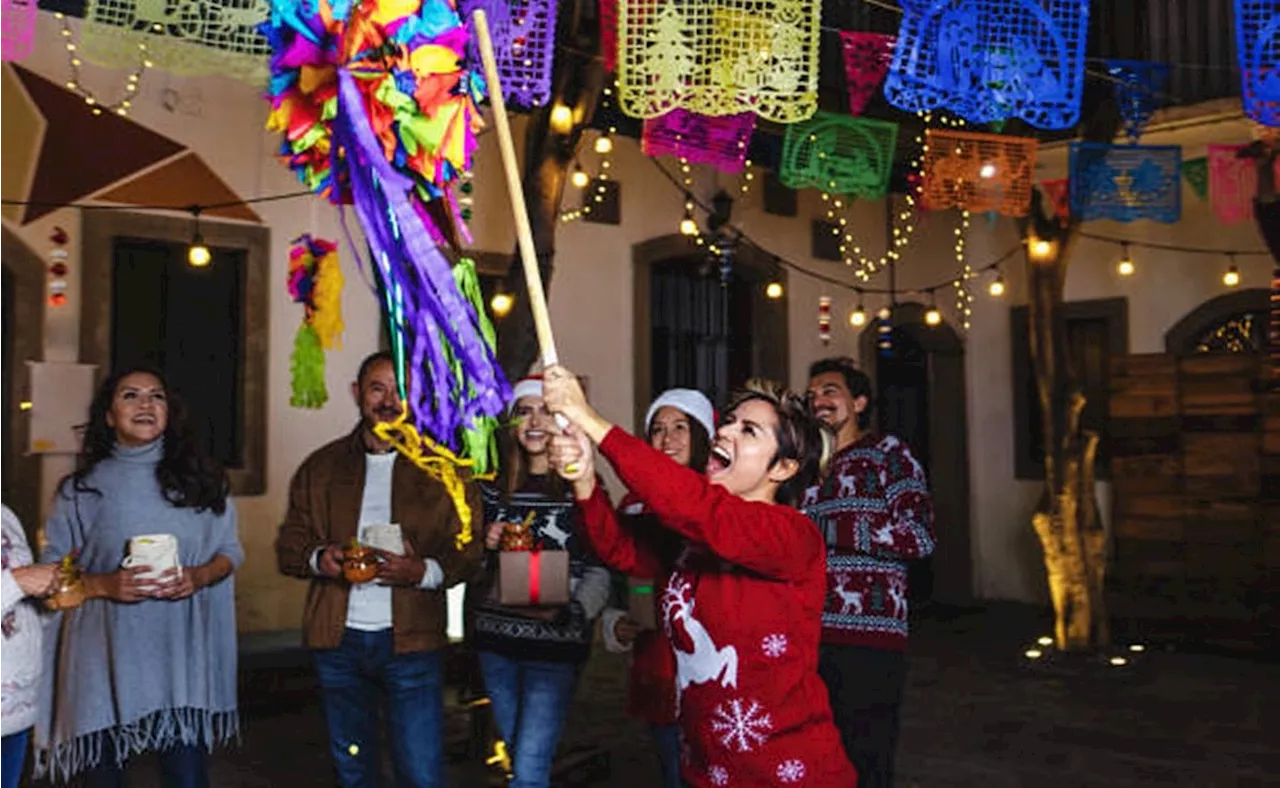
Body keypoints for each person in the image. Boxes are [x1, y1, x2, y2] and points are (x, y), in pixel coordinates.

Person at [543, 366, 856, 788]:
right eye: (729, 422)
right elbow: (619, 548)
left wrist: (591, 421)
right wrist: (583, 481)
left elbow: (700, 508)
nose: (725, 432)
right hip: (705, 769)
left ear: (782, 467)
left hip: (785, 774)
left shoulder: (793, 534)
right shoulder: (691, 536)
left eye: (749, 431)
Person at [276, 351, 483, 788]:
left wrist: (421, 570)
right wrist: (321, 558)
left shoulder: (444, 470)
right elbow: (290, 546)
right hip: (338, 643)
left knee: (421, 772)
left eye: (400, 391)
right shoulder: (321, 467)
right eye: (377, 388)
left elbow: (470, 550)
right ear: (357, 394)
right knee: (353, 769)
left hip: (413, 644)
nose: (389, 400)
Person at [35, 365, 243, 787]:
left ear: (170, 411)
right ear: (109, 416)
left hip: (179, 658)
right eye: (130, 395)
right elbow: (52, 573)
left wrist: (200, 576)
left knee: (187, 778)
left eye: (157, 396)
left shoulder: (203, 482)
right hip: (101, 656)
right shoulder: (80, 490)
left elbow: (229, 551)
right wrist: (102, 584)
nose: (146, 404)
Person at [470, 376, 612, 788]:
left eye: (546, 410)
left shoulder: (581, 485)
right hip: (497, 645)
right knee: (522, 760)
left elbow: (603, 565)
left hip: (555, 647)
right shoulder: (492, 489)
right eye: (524, 411)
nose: (534, 421)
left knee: (529, 771)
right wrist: (484, 545)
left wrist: (574, 612)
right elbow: (467, 566)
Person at [803, 357, 935, 788]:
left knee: (866, 759)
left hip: (870, 639)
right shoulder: (805, 468)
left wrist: (831, 527)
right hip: (809, 636)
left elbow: (918, 535)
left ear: (859, 402)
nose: (818, 401)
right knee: (815, 757)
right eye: (812, 395)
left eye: (830, 391)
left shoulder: (888, 454)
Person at [593, 389, 715, 788]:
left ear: (702, 436)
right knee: (672, 770)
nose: (668, 439)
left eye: (681, 427)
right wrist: (618, 618)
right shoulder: (633, 504)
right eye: (658, 430)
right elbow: (622, 572)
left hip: (711, 665)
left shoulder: (719, 499)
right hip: (659, 664)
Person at [0, 506, 56, 788]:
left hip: (16, 708)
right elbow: (13, 585)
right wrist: (17, 581)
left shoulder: (5, 516)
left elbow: (18, 611)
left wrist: (49, 605)